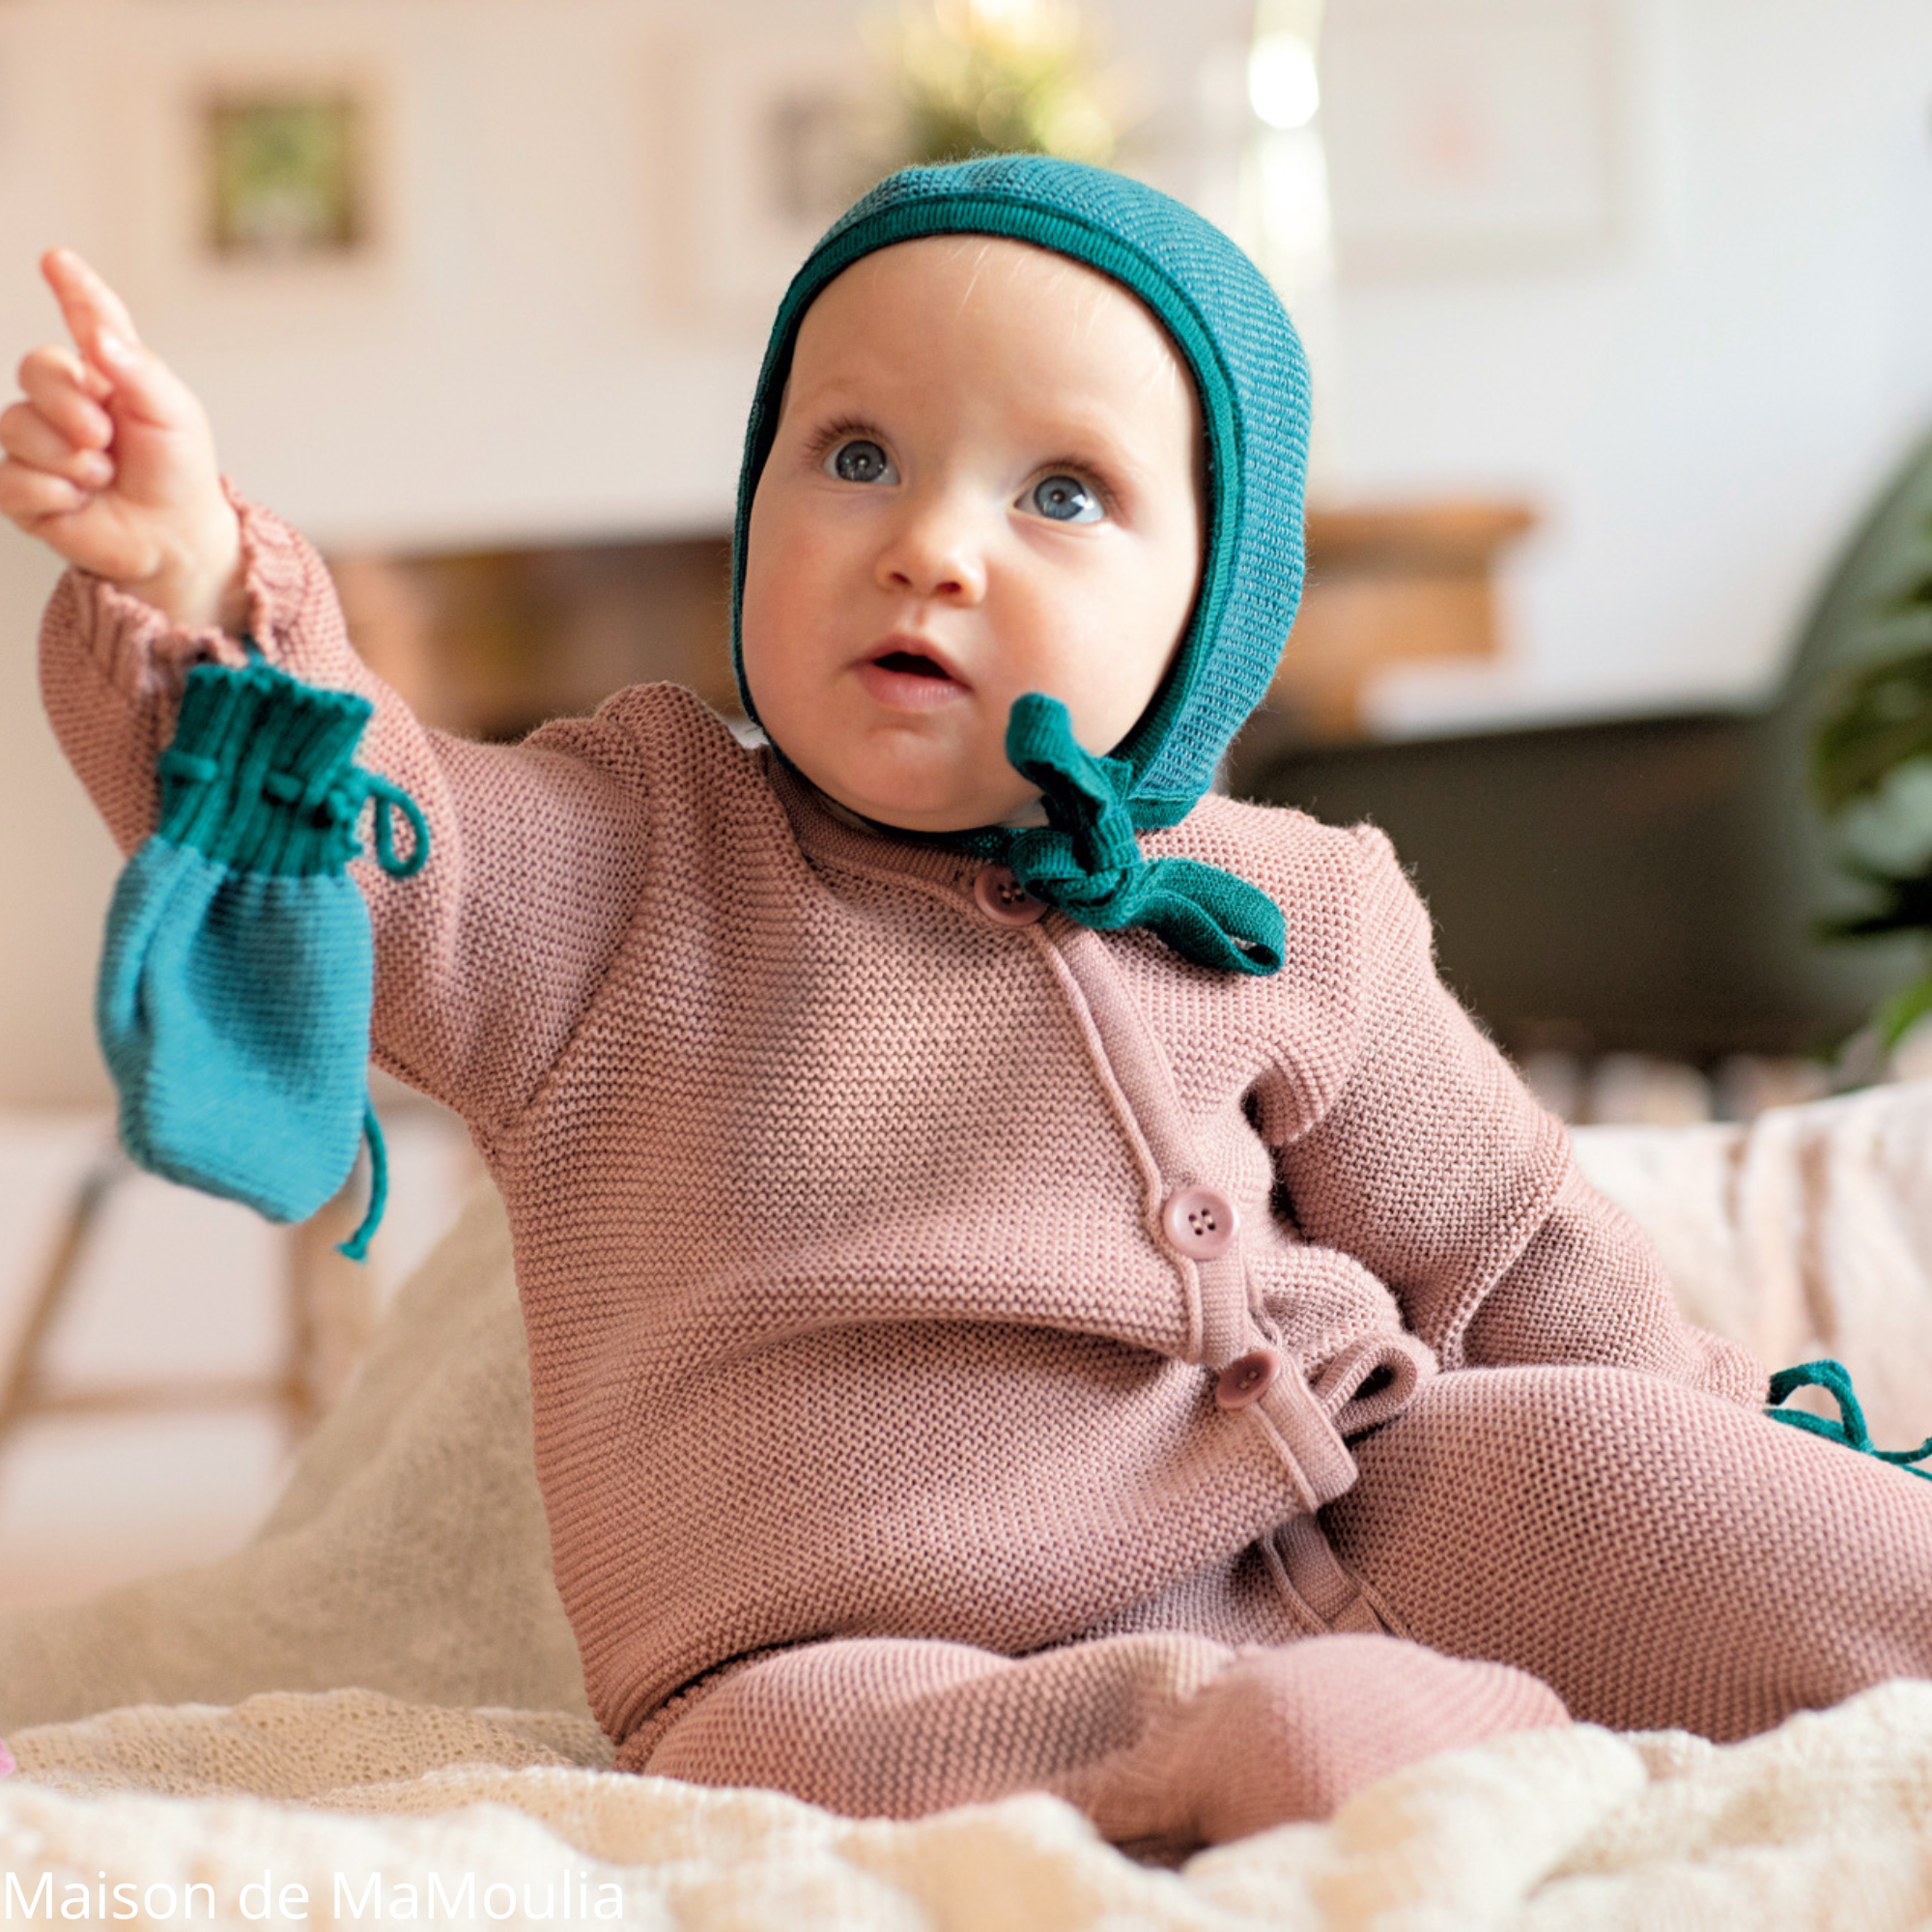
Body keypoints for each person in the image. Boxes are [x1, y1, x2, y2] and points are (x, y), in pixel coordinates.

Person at [7, 157, 1930, 1857]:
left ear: (1204, 611)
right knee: (813, 1753)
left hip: (1332, 1501)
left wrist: (1710, 1448)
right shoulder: (618, 858)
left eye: (1063, 491)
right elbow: (362, 819)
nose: (930, 539)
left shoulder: (1291, 900)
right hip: (845, 1633)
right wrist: (193, 584)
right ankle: (1237, 1752)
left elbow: (1500, 1233)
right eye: (853, 456)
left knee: (1624, 1476)